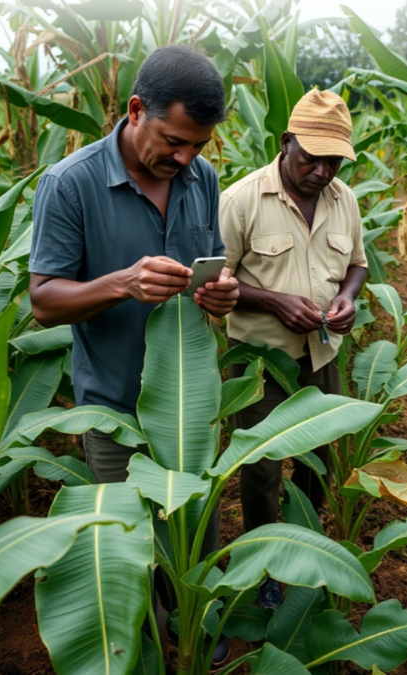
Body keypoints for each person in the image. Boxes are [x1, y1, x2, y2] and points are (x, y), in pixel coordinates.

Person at [28, 44, 239, 668]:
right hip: (115, 402)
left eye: (198, 145)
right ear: (135, 109)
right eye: (174, 141)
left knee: (192, 526)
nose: (185, 157)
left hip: (191, 400)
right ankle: (136, 644)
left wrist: (221, 293)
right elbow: (43, 300)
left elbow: (213, 261)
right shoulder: (71, 184)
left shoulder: (201, 179)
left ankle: (192, 626)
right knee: (126, 546)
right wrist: (121, 283)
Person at [220, 89, 367, 609]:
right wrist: (274, 302)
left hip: (323, 355)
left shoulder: (342, 199)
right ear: (285, 144)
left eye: (333, 161)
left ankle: (307, 544)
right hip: (259, 362)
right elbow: (219, 282)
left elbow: (357, 264)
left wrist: (348, 298)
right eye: (312, 158)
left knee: (318, 462)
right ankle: (266, 565)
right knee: (261, 471)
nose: (323, 171)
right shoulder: (241, 201)